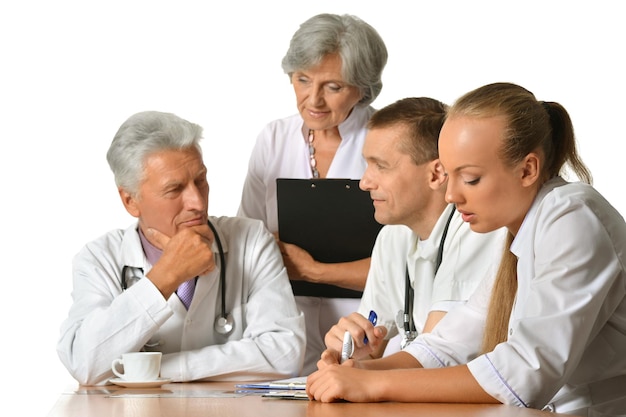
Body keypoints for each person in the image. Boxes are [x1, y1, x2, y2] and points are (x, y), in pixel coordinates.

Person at [306, 82, 626, 416]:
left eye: (470, 178)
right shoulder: (521, 233)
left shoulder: (572, 218)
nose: (450, 195)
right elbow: (448, 345)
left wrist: (373, 386)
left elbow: (523, 375)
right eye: (451, 175)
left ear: (527, 169)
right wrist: (358, 372)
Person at [57, 111, 306, 386]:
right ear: (130, 201)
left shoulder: (251, 240)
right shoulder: (99, 259)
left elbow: (285, 354)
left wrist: (153, 370)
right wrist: (165, 276)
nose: (197, 202)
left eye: (200, 180)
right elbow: (85, 363)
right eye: (174, 189)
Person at [237, 13, 388, 375]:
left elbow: (408, 265)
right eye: (303, 80)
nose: (313, 99)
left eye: (333, 86)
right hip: (284, 322)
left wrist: (314, 270)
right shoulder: (273, 139)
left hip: (367, 328)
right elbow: (247, 239)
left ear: (363, 88)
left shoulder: (388, 140)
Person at [323, 97, 507, 360]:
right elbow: (369, 350)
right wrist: (347, 349)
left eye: (381, 166)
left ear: (436, 174)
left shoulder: (477, 228)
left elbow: (436, 358)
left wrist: (358, 375)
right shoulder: (392, 236)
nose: (364, 183)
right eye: (367, 164)